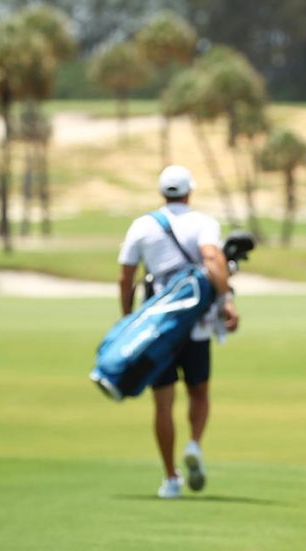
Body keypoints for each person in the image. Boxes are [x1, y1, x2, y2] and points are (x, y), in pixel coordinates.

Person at [116, 166, 238, 499]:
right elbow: (213, 260)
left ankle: (171, 477)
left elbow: (126, 277)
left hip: (158, 330)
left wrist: (128, 321)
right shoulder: (204, 223)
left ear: (162, 192)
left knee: (163, 403)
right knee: (199, 392)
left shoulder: (142, 225)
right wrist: (226, 302)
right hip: (196, 326)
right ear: (189, 191)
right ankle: (195, 444)